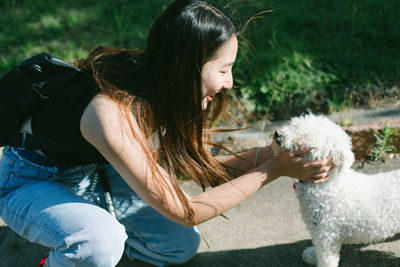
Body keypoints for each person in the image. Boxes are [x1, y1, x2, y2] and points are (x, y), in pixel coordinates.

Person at [0, 1, 332, 266]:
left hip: (96, 171)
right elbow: (186, 211)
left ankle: (96, 225)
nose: (229, 82)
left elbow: (204, 169)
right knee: (98, 242)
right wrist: (273, 170)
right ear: (186, 67)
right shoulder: (110, 112)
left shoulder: (161, 87)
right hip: (30, 180)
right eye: (223, 69)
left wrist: (280, 155)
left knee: (177, 246)